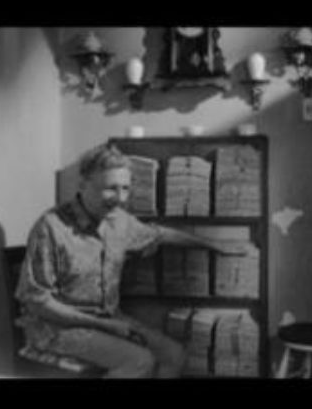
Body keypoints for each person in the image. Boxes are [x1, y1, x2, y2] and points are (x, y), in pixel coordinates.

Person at [15, 144, 250, 378]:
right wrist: (103, 325)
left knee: (174, 355)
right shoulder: (51, 227)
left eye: (125, 189)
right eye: (110, 188)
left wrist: (214, 244)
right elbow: (37, 303)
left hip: (108, 320)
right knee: (139, 361)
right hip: (56, 329)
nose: (120, 199)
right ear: (83, 184)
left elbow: (160, 234)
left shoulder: (119, 221)